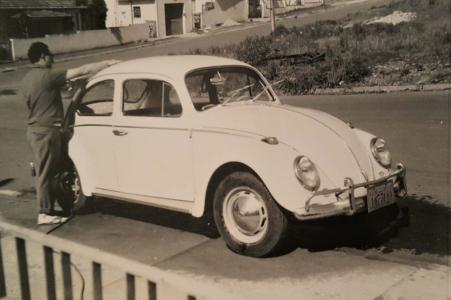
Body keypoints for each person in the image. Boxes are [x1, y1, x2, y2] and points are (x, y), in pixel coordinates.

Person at [21, 42, 120, 225]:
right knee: (45, 173)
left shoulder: (27, 78)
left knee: (48, 170)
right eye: (49, 55)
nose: (52, 58)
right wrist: (107, 63)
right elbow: (81, 69)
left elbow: (54, 93)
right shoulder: (48, 75)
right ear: (43, 57)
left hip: (35, 130)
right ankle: (44, 213)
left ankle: (50, 209)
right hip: (47, 131)